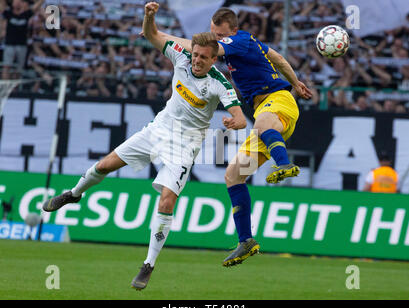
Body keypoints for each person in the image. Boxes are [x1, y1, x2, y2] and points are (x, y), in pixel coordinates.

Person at [42, 3, 246, 291]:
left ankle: (148, 264)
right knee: (104, 166)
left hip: (186, 144)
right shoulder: (181, 55)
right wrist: (149, 16)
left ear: (214, 59)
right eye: (196, 55)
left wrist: (232, 123)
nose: (197, 61)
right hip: (159, 129)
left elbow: (239, 117)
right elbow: (152, 35)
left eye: (204, 58)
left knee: (166, 200)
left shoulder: (219, 84)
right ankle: (74, 194)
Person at [152, 3, 312, 267]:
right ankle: (246, 241)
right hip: (269, 111)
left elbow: (203, 48)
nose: (215, 38)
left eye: (219, 35)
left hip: (278, 102)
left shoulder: (237, 40)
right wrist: (296, 82)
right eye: (213, 33)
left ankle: (284, 163)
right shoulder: (251, 42)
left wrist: (160, 36)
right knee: (234, 174)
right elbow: (279, 59)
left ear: (232, 31)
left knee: (261, 124)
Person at [1, 0, 44, 79]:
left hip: (22, 45)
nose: (17, 3)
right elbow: (1, 5)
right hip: (9, 45)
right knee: (6, 66)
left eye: (19, 1)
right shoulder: (8, 13)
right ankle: (5, 85)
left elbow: (36, 7)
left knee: (19, 68)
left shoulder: (26, 14)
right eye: (15, 1)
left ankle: (15, 87)